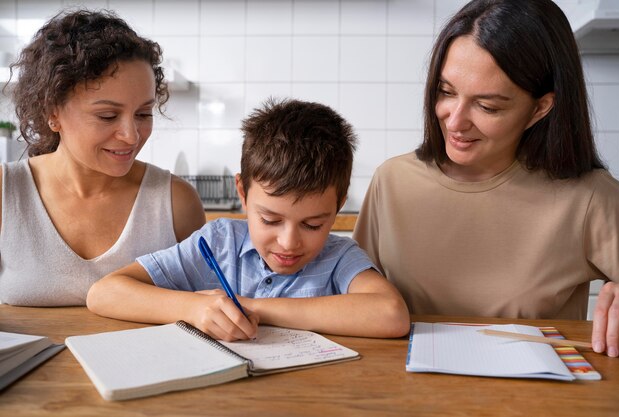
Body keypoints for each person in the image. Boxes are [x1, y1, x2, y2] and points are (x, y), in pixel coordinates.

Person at [353, 0, 619, 357]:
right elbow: (350, 298)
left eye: (488, 106)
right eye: (446, 92)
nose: (454, 121)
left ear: (540, 108)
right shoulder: (393, 181)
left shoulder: (589, 197)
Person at [87, 98, 410, 341]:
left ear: (339, 204)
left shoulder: (339, 257)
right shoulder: (217, 242)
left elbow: (391, 315)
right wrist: (193, 308)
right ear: (242, 192)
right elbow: (104, 293)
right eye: (270, 220)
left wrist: (253, 307)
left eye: (313, 225)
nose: (288, 242)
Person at [0, 10, 206, 306]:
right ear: (52, 112)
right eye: (107, 116)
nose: (132, 136)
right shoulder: (5, 194)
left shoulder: (177, 203)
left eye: (143, 114)